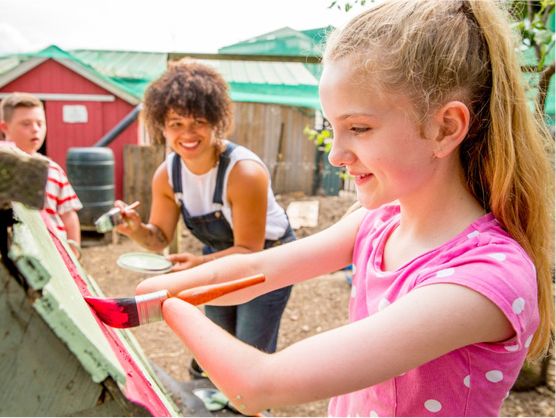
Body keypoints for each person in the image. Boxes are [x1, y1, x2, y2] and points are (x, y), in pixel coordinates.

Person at [136, 1, 554, 416]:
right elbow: (255, 270)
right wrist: (165, 288)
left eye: (358, 128)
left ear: (445, 128)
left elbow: (257, 384)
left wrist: (163, 307)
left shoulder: (482, 279)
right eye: (333, 128)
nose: (335, 154)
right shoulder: (379, 223)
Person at [114, 59, 295, 379]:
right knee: (215, 344)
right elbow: (158, 240)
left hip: (268, 257)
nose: (187, 133)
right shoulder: (167, 174)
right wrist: (136, 229)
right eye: (176, 123)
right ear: (162, 126)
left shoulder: (243, 172)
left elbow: (249, 251)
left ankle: (249, 408)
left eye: (198, 121)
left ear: (216, 122)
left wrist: (197, 266)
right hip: (219, 258)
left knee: (249, 352)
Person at [0, 92, 82, 258]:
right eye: (26, 124)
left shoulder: (54, 170)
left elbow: (68, 215)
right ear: (4, 128)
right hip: (14, 257)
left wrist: (74, 254)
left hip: (54, 256)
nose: (35, 129)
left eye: (40, 123)